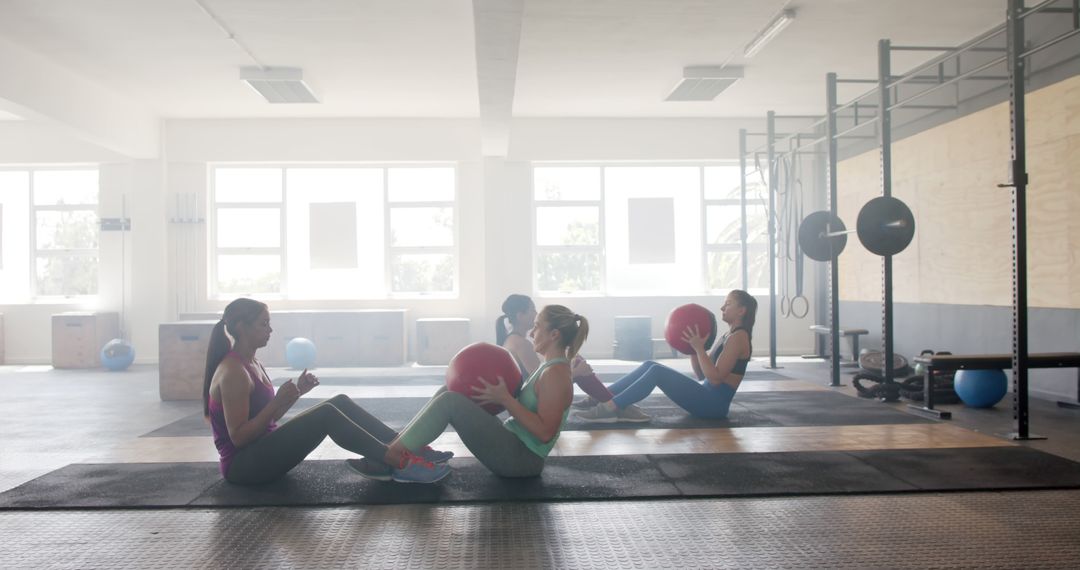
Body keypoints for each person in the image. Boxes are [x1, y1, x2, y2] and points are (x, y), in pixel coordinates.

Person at [204, 298, 452, 485]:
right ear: (241, 327)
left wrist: (294, 394)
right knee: (327, 415)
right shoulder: (233, 371)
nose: (270, 330)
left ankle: (405, 446)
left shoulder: (253, 363)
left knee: (339, 402)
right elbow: (239, 437)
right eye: (264, 324)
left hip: (262, 450)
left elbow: (268, 420)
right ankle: (401, 463)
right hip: (243, 467)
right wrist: (275, 402)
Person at [367, 304, 588, 479]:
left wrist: (505, 399)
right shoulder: (549, 368)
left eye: (538, 326)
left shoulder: (556, 375)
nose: (531, 332)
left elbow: (545, 433)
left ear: (554, 335)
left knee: (451, 402)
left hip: (521, 461)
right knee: (452, 390)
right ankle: (405, 446)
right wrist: (499, 395)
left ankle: (389, 457)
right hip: (513, 445)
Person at [574, 290, 757, 423]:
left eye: (729, 303)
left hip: (713, 405)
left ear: (742, 311)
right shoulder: (729, 336)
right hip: (707, 396)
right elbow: (702, 375)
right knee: (650, 364)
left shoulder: (739, 338)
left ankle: (608, 408)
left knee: (656, 373)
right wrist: (693, 350)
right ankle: (600, 397)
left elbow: (715, 379)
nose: (722, 307)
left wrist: (700, 349)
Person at [495, 294, 648, 420]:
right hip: (530, 404)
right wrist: (576, 373)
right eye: (532, 310)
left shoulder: (514, 339)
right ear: (520, 316)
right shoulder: (521, 343)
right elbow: (540, 384)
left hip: (531, 398)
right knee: (577, 364)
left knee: (575, 360)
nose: (535, 314)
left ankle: (608, 402)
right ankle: (617, 407)